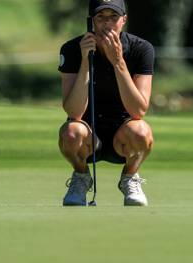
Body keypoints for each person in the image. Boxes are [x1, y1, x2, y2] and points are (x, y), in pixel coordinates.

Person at [57, 0, 154, 206]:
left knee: (142, 131)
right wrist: (85, 61)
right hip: (88, 136)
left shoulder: (141, 49)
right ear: (91, 21)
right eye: (100, 17)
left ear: (124, 20)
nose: (107, 24)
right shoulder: (72, 49)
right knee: (70, 132)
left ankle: (129, 178)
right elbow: (74, 112)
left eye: (113, 17)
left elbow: (139, 110)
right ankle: (81, 177)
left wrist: (118, 61)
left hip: (123, 136)